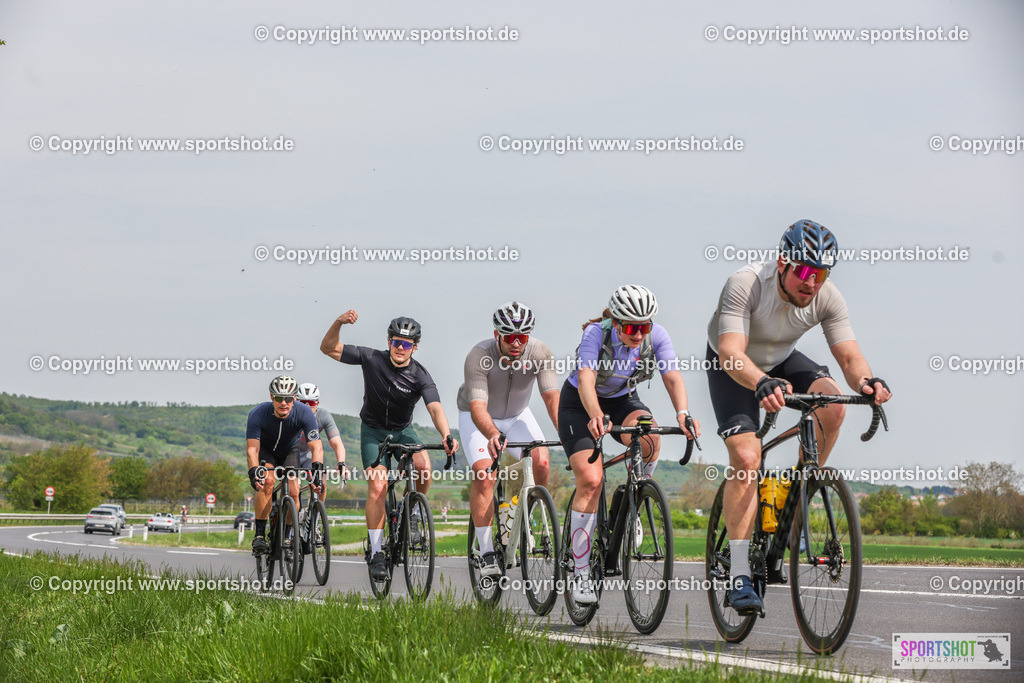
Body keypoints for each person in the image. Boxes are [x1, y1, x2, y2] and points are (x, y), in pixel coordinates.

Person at [706, 220, 892, 615]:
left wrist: (867, 381)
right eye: (805, 271)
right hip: (733, 364)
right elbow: (731, 352)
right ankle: (739, 573)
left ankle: (798, 499)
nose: (812, 282)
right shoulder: (746, 283)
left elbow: (848, 355)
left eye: (821, 274)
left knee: (835, 404)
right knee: (747, 458)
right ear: (782, 263)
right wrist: (761, 383)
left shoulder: (828, 297)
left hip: (781, 358)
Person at [558, 285, 700, 605]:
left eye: (644, 327)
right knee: (592, 480)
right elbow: (586, 380)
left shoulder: (656, 335)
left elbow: (672, 376)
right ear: (616, 323)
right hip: (580, 404)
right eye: (632, 328)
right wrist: (595, 414)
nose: (639, 335)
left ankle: (636, 498)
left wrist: (682, 413)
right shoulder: (596, 333)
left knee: (649, 437)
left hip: (622, 399)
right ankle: (580, 572)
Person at [320, 311, 459, 581]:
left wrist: (445, 434)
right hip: (372, 431)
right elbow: (328, 348)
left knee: (423, 466)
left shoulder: (421, 375)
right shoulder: (371, 358)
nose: (400, 348)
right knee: (379, 487)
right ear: (389, 341)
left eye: (406, 344)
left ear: (415, 347)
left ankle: (414, 510)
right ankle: (376, 552)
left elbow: (435, 408)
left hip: (402, 431)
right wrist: (338, 322)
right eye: (396, 342)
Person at [458, 301, 559, 577]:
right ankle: (487, 551)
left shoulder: (539, 352)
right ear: (496, 335)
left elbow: (552, 398)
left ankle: (520, 515)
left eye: (522, 337)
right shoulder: (478, 356)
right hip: (478, 417)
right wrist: (492, 434)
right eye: (510, 337)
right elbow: (478, 407)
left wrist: (567, 434)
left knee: (542, 462)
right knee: (484, 474)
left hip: (517, 416)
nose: (516, 343)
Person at [245, 376, 325, 557]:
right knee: (267, 481)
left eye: (288, 398)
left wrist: (317, 472)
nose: (284, 403)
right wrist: (253, 472)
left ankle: (288, 534)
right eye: (279, 398)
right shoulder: (258, 413)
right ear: (271, 396)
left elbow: (316, 446)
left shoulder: (304, 412)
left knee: (294, 491)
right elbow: (252, 449)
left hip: (290, 450)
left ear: (294, 398)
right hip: (266, 450)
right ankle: (259, 535)